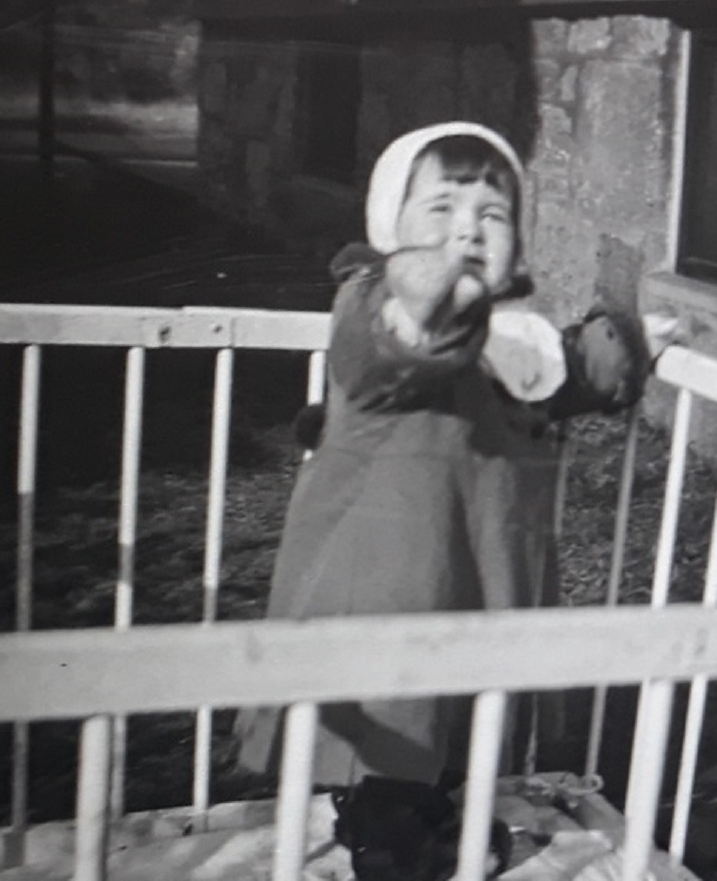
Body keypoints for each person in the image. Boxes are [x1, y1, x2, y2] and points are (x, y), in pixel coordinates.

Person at [234, 122, 666, 879]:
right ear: (386, 228)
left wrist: (630, 341)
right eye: (440, 209)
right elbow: (389, 351)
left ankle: (435, 818)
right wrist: (418, 300)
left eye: (492, 215)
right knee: (393, 729)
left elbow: (569, 375)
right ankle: (391, 849)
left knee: (461, 720)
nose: (467, 228)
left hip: (480, 573)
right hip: (390, 578)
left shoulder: (513, 337)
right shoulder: (369, 306)